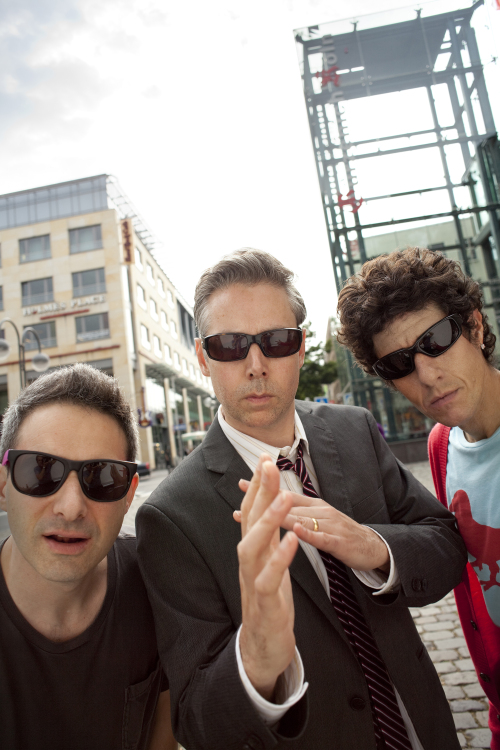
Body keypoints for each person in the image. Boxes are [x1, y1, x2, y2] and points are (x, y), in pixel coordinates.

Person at [137, 248, 467, 750]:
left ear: (299, 347)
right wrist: (256, 659)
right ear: (203, 359)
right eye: (229, 345)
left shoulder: (354, 430)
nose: (255, 364)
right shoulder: (171, 515)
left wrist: (374, 547)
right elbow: (198, 720)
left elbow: (445, 546)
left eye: (275, 340)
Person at [336, 246, 500, 748]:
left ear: (473, 326)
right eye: (400, 363)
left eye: (436, 341)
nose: (426, 374)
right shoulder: (442, 446)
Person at [0, 363, 177, 750]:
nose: (71, 507)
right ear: (3, 482)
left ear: (129, 493)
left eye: (103, 477)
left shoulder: (156, 583)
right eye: (40, 471)